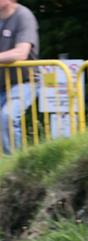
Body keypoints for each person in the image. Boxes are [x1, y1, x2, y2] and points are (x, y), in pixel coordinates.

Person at [0, 0, 38, 155]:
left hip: (24, 82)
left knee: (7, 117)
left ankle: (12, 164)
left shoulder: (23, 16)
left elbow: (21, 53)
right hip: (2, 83)